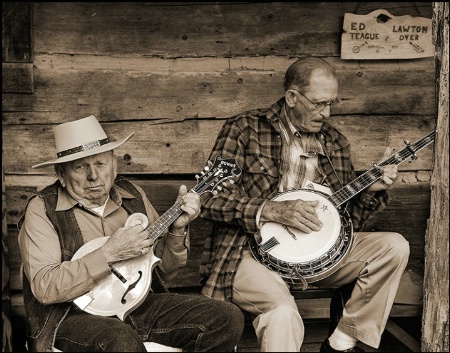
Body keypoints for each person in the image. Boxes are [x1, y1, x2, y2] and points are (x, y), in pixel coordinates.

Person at [199, 57, 409, 352]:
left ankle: (341, 342)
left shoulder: (335, 142)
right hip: (252, 252)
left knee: (393, 247)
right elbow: (208, 199)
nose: (327, 112)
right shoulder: (245, 129)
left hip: (317, 257)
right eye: (319, 103)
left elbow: (350, 226)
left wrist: (369, 190)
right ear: (292, 97)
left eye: (332, 103)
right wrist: (273, 210)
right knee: (283, 313)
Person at [18, 115, 244, 352]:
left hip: (138, 306)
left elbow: (164, 273)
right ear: (61, 174)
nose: (93, 176)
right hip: (70, 315)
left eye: (101, 164)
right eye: (80, 166)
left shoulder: (133, 195)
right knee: (121, 340)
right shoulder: (42, 209)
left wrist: (177, 229)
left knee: (226, 318)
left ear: (114, 165)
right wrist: (108, 253)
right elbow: (45, 288)